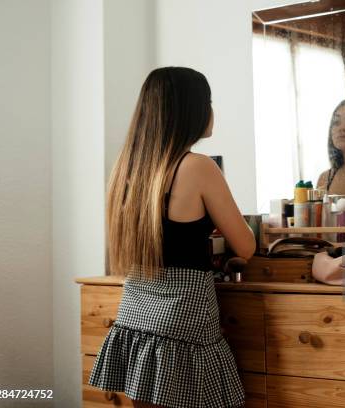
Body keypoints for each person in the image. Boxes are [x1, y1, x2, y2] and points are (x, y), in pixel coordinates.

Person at [88, 67, 256, 408]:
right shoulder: (198, 166)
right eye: (208, 101)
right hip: (184, 318)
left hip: (136, 312)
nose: (213, 111)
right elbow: (246, 246)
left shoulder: (128, 169)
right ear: (191, 110)